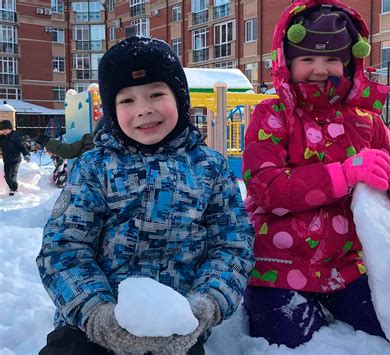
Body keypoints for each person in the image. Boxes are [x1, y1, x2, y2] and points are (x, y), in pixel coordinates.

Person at [36, 36, 255, 355]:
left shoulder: (210, 168)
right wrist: (98, 316)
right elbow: (63, 249)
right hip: (95, 325)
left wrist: (205, 306)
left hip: (178, 326)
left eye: (156, 94)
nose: (144, 109)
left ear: (179, 98)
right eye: (127, 101)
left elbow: (232, 245)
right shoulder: (95, 168)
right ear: (112, 110)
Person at [242, 0, 390, 348]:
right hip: (278, 265)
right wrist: (343, 175)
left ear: (349, 62)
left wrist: (389, 186)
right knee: (295, 344)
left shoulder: (366, 120)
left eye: (332, 59)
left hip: (346, 265)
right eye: (308, 59)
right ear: (287, 62)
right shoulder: (273, 116)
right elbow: (265, 188)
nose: (320, 69)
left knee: (388, 332)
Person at [0, 119, 31, 196]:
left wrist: (26, 154)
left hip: (15, 159)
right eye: (2, 130)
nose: (4, 131)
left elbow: (21, 146)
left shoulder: (15, 136)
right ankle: (11, 187)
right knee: (6, 176)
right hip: (6, 160)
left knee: (12, 174)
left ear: (10, 129)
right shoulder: (2, 138)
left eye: (6, 130)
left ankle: (14, 189)